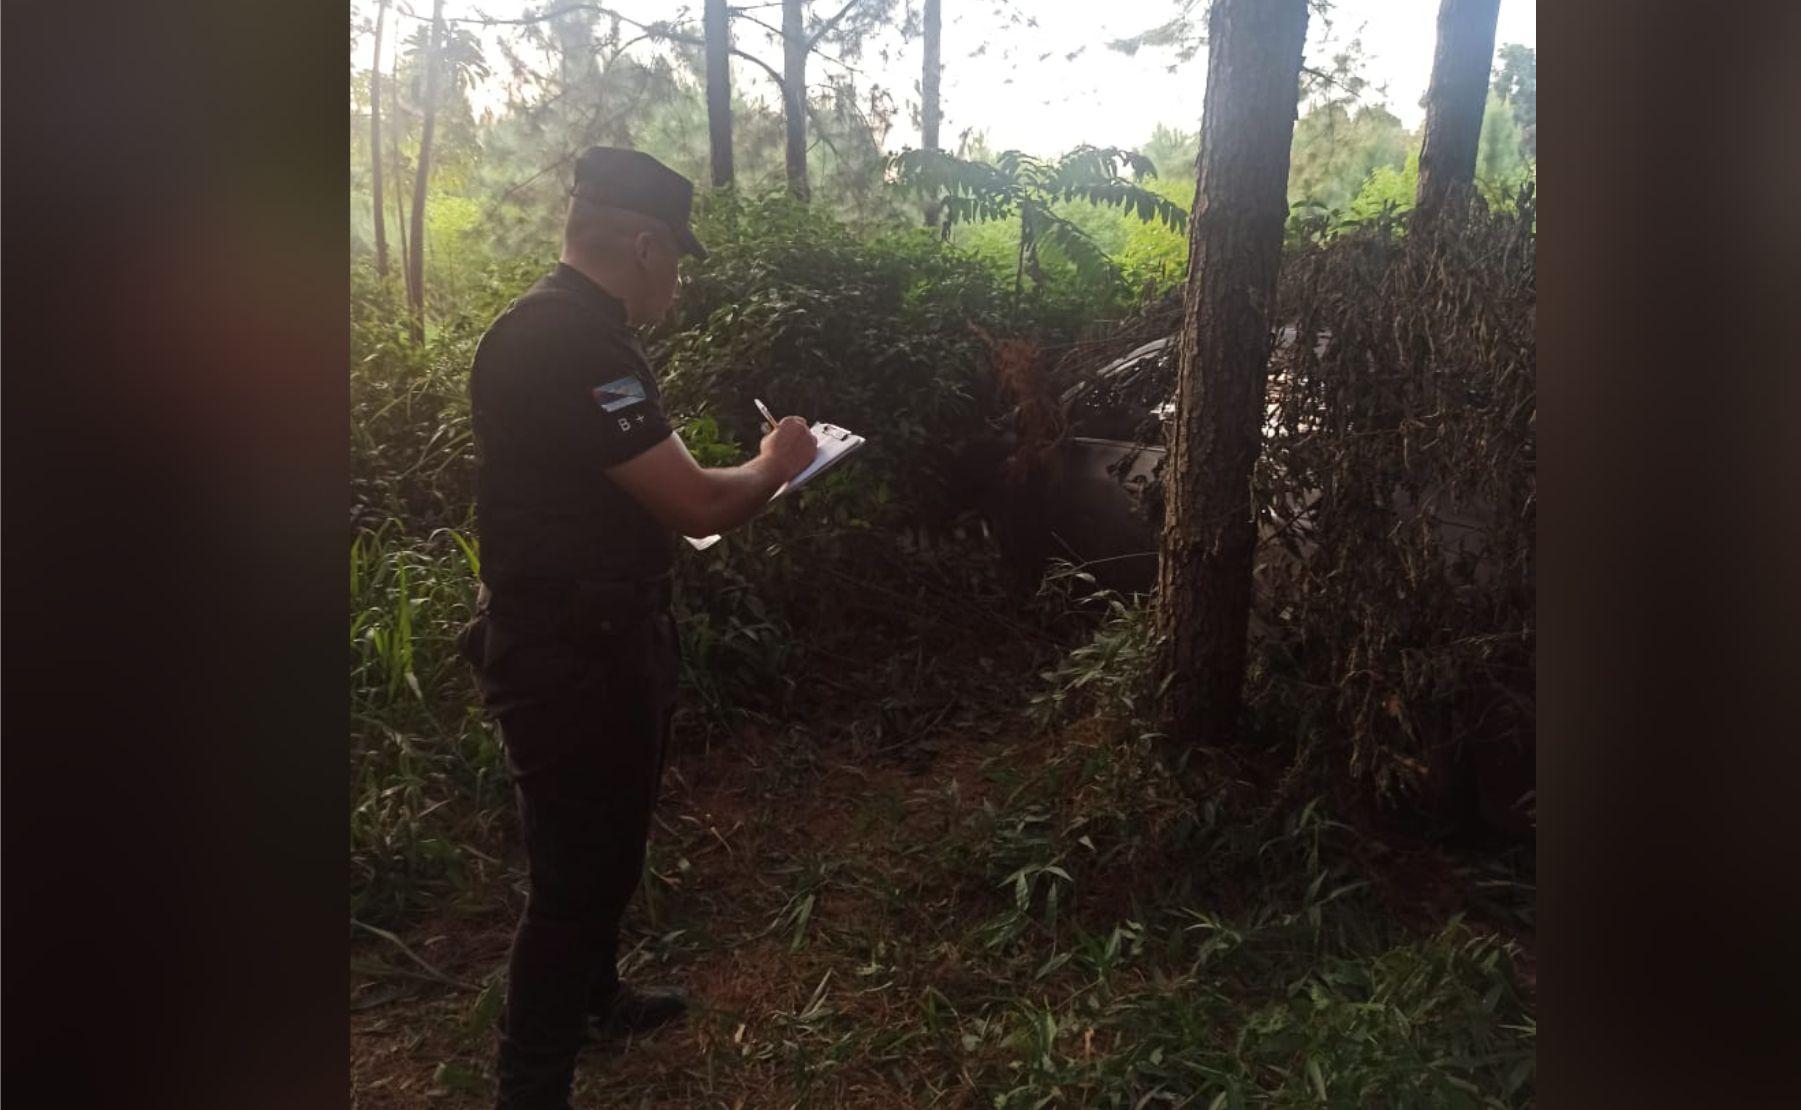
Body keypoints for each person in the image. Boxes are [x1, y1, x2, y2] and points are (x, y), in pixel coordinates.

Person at [457, 146, 817, 1110]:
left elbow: (641, 486)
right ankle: (530, 1086)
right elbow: (697, 503)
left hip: (598, 636)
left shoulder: (568, 328)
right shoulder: (571, 343)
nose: (679, 281)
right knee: (575, 874)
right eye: (678, 259)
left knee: (604, 841)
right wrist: (777, 462)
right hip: (569, 651)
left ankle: (595, 998)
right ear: (647, 246)